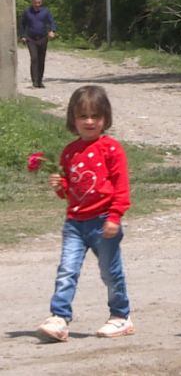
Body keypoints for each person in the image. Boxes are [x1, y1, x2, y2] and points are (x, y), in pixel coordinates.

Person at [36, 85, 134, 342]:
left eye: (96, 116)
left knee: (110, 272)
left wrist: (115, 216)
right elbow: (74, 190)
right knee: (67, 270)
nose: (89, 122)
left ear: (105, 119)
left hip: (103, 221)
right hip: (75, 222)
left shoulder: (111, 149)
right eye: (83, 116)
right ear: (73, 119)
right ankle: (59, 318)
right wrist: (61, 187)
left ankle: (120, 316)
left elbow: (121, 187)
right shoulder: (70, 151)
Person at [20, 0, 56, 88]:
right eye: (35, 2)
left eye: (38, 2)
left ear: (41, 2)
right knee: (34, 58)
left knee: (41, 60)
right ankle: (35, 81)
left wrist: (52, 31)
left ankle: (40, 81)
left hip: (43, 38)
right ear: (32, 2)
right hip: (31, 39)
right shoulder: (27, 12)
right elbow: (23, 24)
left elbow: (51, 22)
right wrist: (22, 35)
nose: (37, 4)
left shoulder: (45, 11)